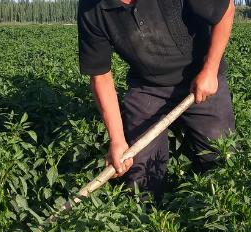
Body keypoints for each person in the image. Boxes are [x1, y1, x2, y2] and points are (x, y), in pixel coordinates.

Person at [78, 0, 236, 202]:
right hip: (147, 87)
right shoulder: (91, 8)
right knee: (140, 175)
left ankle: (217, 214)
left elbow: (226, 9)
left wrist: (211, 69)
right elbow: (100, 76)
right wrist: (116, 140)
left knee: (222, 158)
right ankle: (147, 221)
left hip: (201, 77)